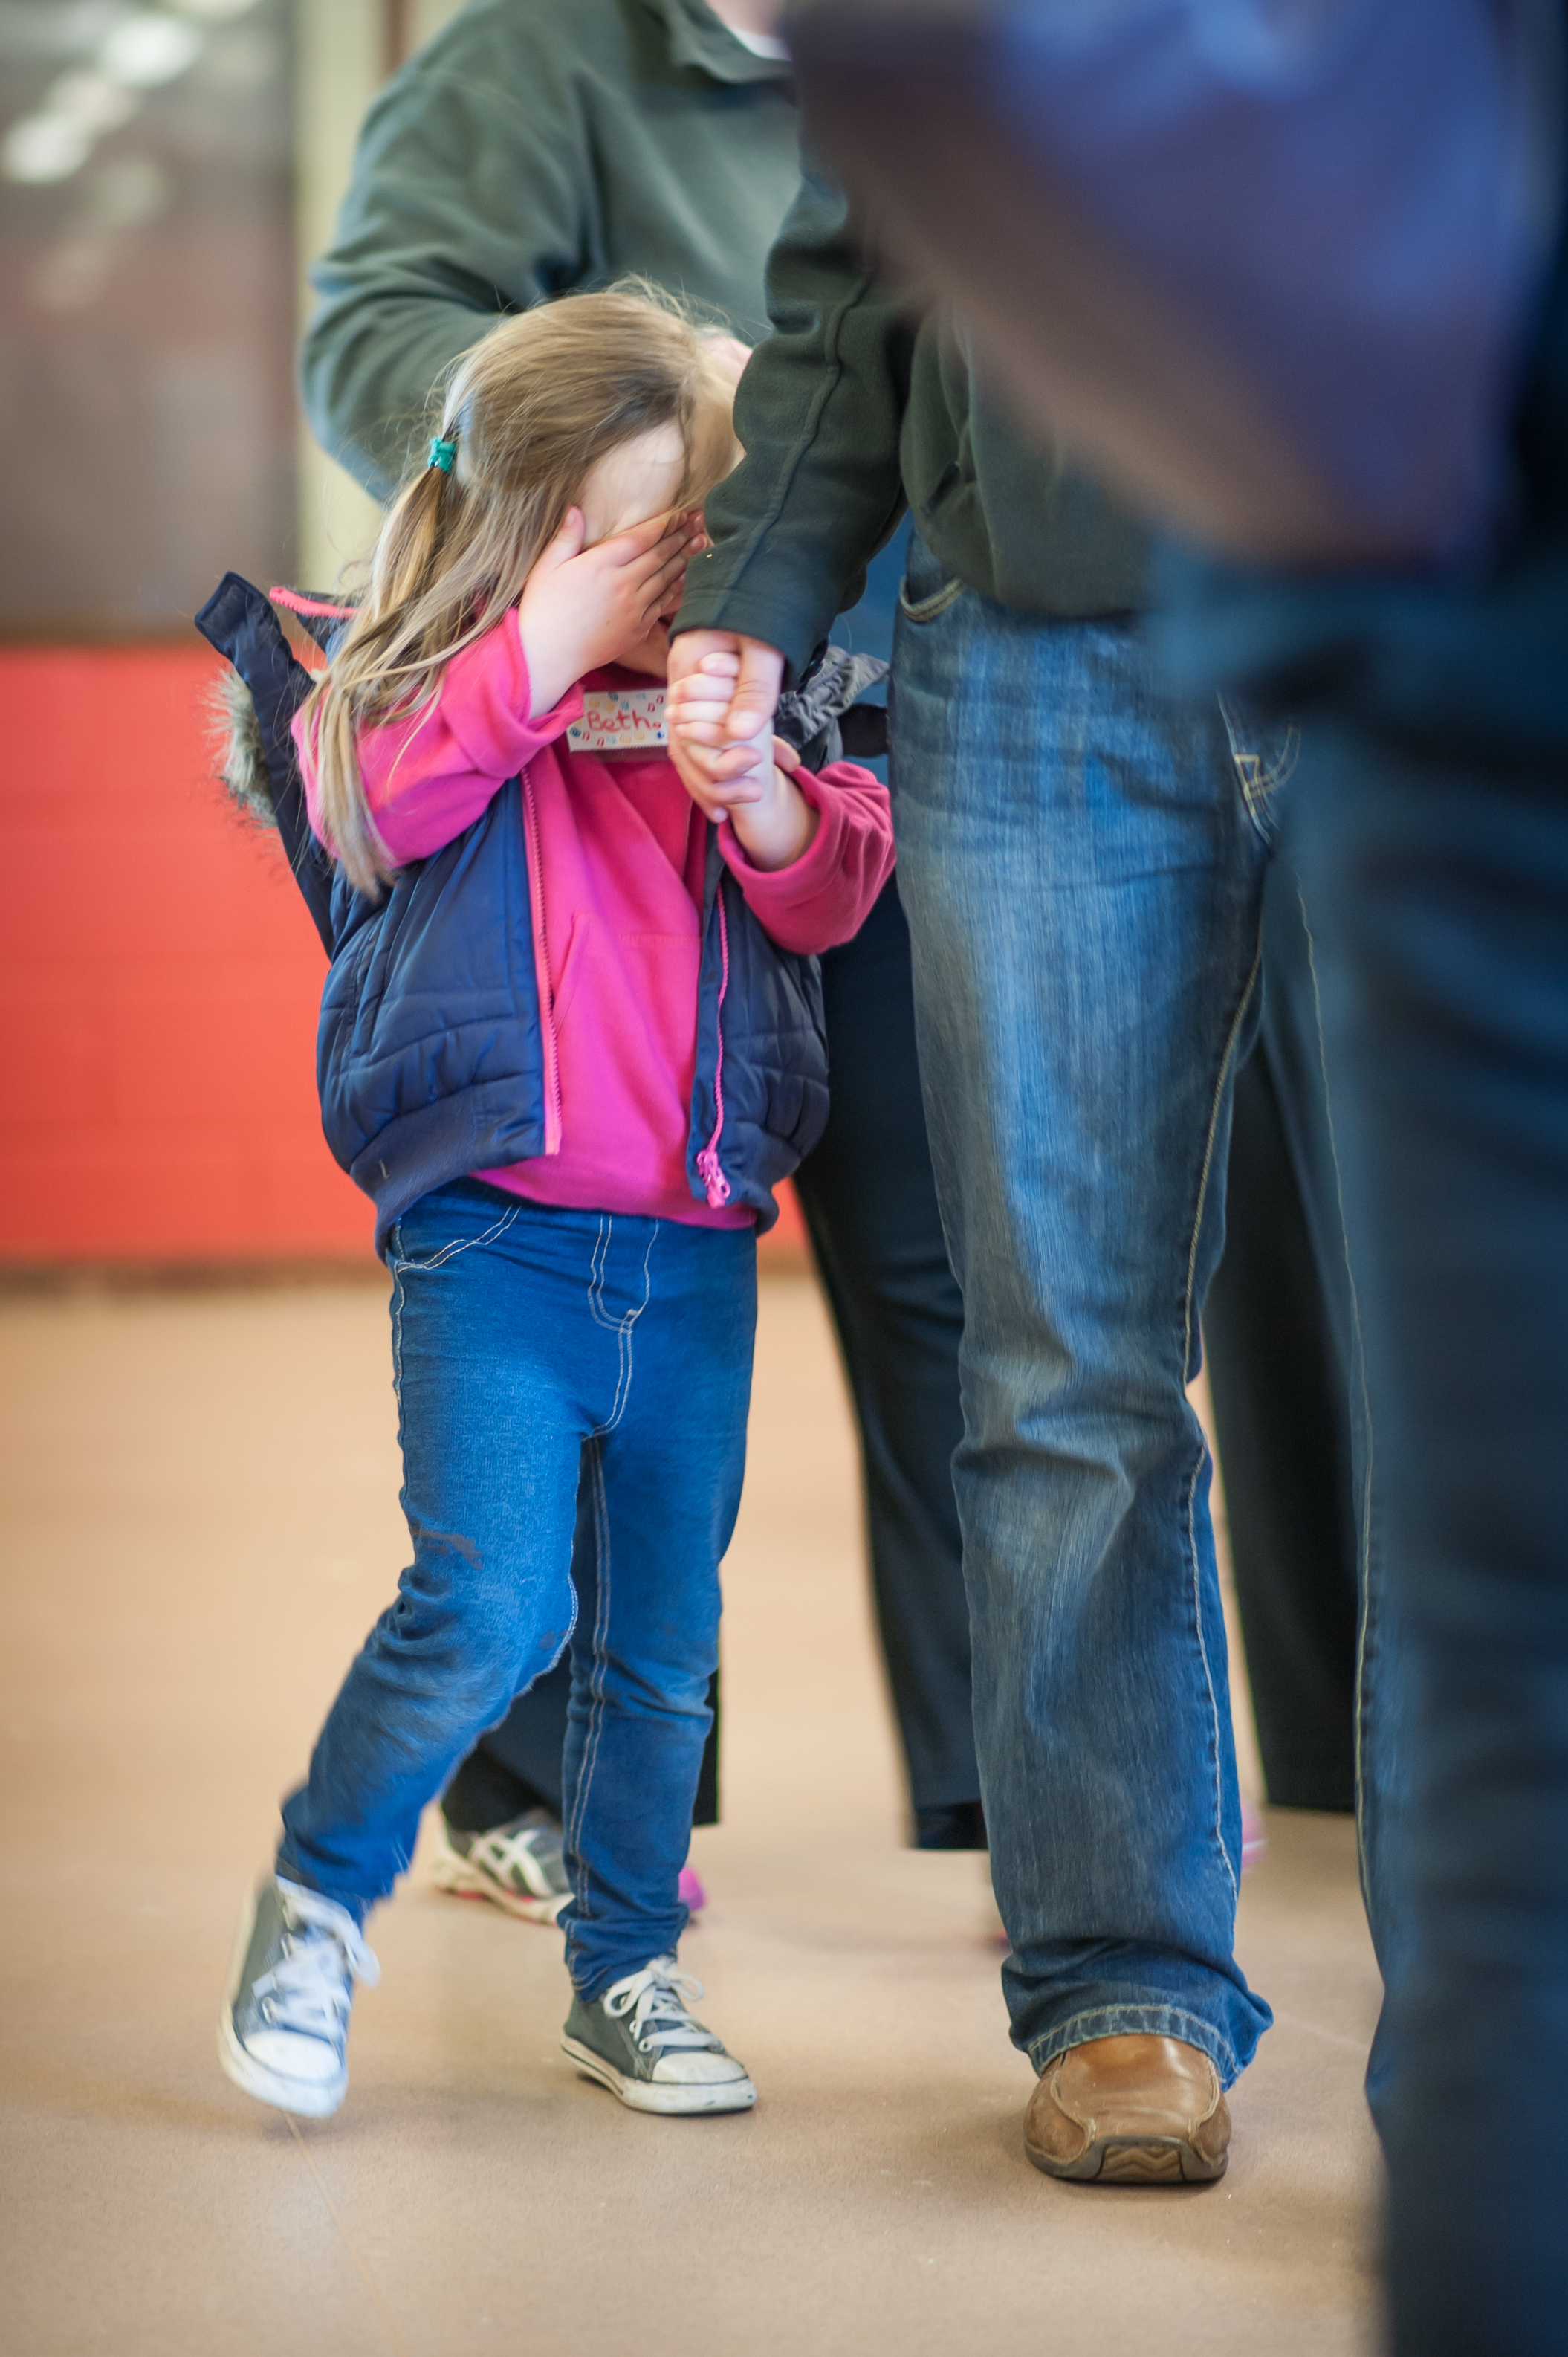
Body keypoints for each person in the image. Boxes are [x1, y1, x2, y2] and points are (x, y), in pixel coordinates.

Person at [298, 0, 981, 1916]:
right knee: (590, 1254)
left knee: (944, 1276)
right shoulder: (529, 62)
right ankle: (563, 1790)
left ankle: (1020, 1775)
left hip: (862, 719)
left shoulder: (961, 58)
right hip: (576, 750)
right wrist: (624, 443)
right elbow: (379, 334)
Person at [213, 287, 894, 2121]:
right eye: (630, 550)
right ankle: (317, 1902)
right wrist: (539, 649)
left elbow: (834, 884)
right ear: (528, 532)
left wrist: (759, 794)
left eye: (700, 544)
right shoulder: (421, 697)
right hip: (493, 1248)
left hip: (691, 1259)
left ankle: (627, 1968)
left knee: (663, 1649)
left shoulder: (743, 701)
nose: (666, 589)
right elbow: (368, 804)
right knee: (494, 1605)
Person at [670, 161, 1280, 2182]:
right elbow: (857, 271)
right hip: (1037, 658)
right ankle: (1121, 1984)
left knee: (1477, 1373)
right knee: (1056, 1363)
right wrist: (758, 585)